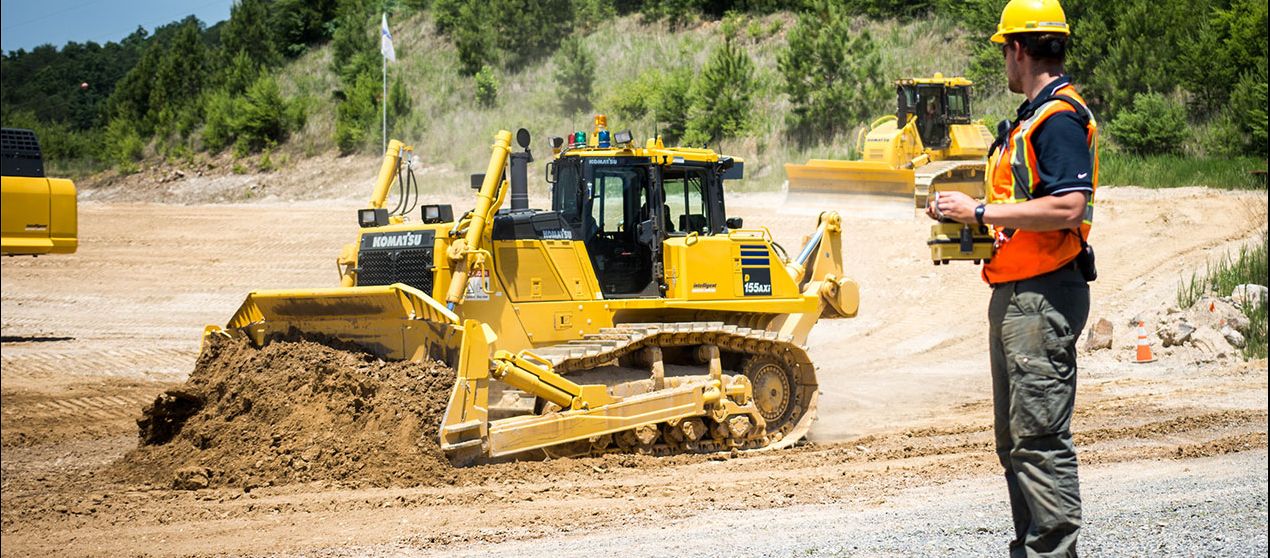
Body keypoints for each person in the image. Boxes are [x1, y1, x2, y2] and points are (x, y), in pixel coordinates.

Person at [926, 0, 1098, 556]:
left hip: (1043, 295)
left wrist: (979, 212)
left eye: (1004, 49)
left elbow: (1068, 206)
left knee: (1039, 439)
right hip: (1019, 292)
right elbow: (1023, 205)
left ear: (1018, 49)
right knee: (1017, 442)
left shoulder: (1058, 119)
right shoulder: (1030, 119)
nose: (1004, 59)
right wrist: (966, 217)